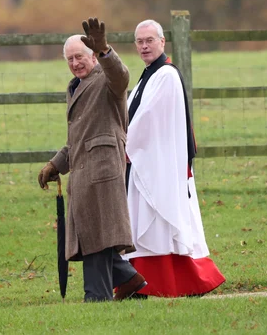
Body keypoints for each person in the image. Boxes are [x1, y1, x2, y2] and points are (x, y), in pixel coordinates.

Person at [37, 18, 146, 302]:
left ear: (92, 57)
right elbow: (79, 137)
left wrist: (105, 50)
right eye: (70, 59)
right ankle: (128, 278)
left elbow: (122, 76)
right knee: (93, 233)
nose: (75, 63)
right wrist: (56, 164)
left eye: (80, 57)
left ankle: (96, 297)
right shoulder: (74, 87)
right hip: (83, 172)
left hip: (103, 169)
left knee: (98, 233)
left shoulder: (107, 81)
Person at [123, 19, 225, 298]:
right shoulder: (148, 74)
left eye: (149, 40)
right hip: (147, 162)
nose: (144, 46)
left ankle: (165, 283)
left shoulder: (166, 75)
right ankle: (143, 283)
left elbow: (147, 119)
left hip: (158, 164)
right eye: (140, 42)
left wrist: (125, 145)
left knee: (160, 218)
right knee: (148, 219)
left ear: (162, 42)